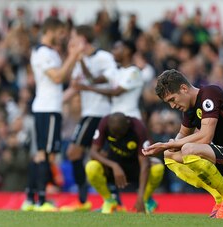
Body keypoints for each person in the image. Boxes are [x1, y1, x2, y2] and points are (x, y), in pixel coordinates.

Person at [142, 69, 223, 219]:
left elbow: (205, 137)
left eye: (172, 99)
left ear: (184, 88)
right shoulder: (190, 110)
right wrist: (169, 145)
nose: (172, 106)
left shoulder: (209, 94)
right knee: (170, 155)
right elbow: (181, 137)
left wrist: (167, 144)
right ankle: (220, 199)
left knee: (189, 149)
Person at [21, 17, 83, 212]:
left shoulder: (52, 53)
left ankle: (31, 199)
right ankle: (40, 201)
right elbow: (57, 77)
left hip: (51, 107)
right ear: (51, 31)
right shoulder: (42, 52)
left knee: (43, 154)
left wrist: (74, 87)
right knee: (44, 154)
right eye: (61, 32)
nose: (63, 36)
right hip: (46, 109)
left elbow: (59, 82)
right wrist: (73, 55)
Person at [60, 24, 117, 211]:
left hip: (99, 113)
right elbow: (76, 86)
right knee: (89, 155)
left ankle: (88, 200)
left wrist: (81, 61)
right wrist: (56, 102)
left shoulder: (104, 58)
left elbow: (108, 82)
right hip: (88, 113)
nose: (72, 41)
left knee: (79, 153)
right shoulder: (80, 61)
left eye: (74, 38)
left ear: (83, 40)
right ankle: (93, 199)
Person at [85, 112, 164, 214]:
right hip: (113, 168)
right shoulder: (105, 122)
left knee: (158, 168)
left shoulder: (138, 127)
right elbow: (93, 152)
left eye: (121, 134)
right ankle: (109, 201)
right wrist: (114, 165)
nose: (118, 137)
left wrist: (140, 197)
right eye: (115, 135)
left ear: (128, 124)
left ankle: (145, 200)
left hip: (135, 168)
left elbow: (144, 163)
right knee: (91, 167)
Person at [75, 39, 144, 120]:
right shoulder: (115, 70)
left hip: (129, 117)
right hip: (114, 116)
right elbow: (92, 80)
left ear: (127, 51)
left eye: (116, 48)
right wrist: (81, 61)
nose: (112, 52)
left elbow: (116, 92)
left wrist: (87, 88)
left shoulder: (134, 72)